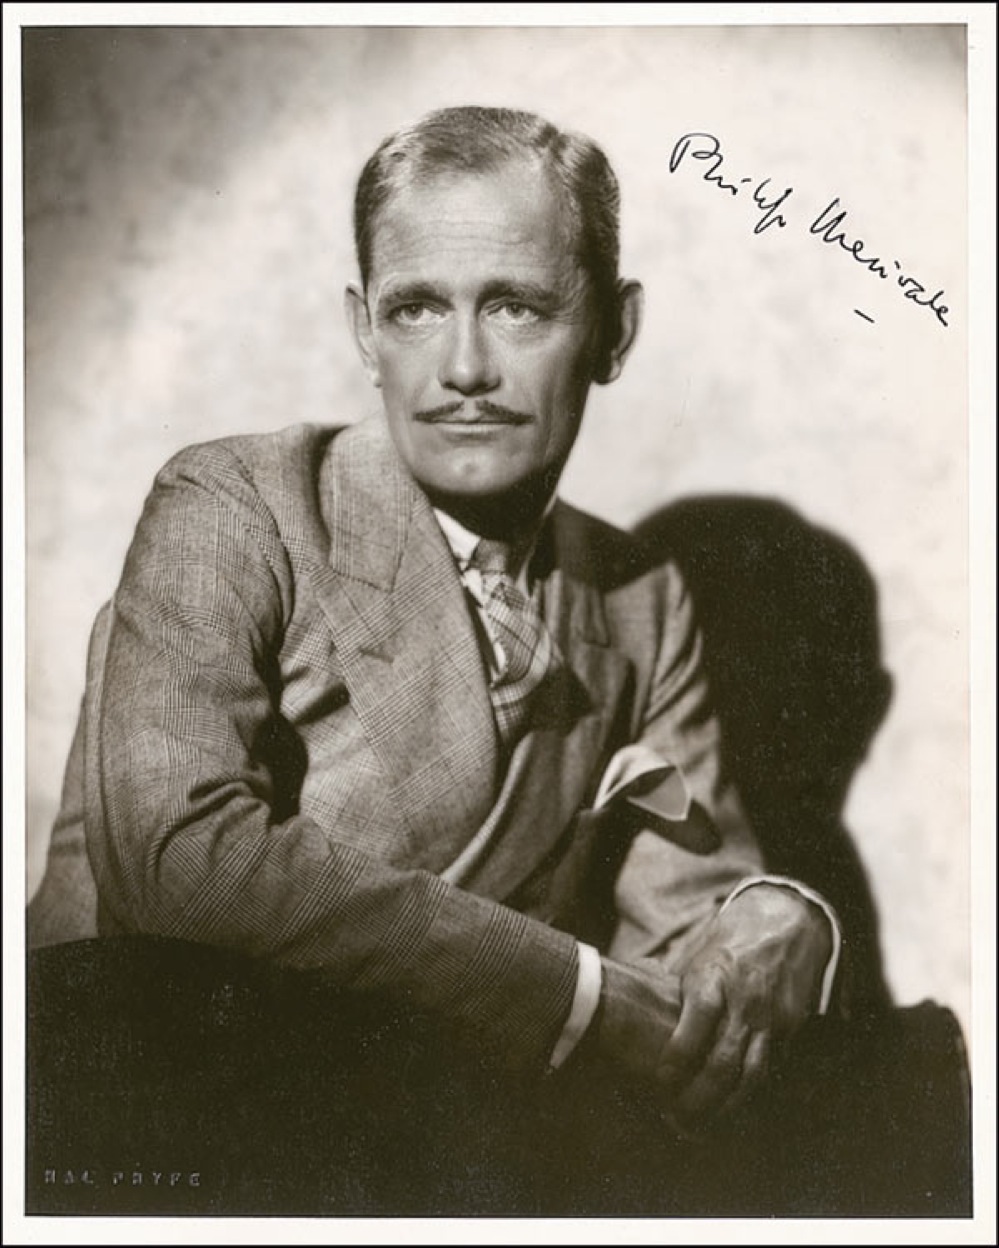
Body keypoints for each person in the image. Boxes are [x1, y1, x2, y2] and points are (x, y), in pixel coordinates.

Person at [29, 105, 850, 1205]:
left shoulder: (640, 601)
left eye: (517, 307)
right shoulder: (234, 506)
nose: (463, 367)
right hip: (157, 1127)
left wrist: (785, 913)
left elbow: (690, 955)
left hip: (441, 1161)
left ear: (614, 331)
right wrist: (577, 990)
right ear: (363, 329)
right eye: (416, 309)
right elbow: (178, 864)